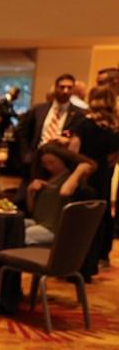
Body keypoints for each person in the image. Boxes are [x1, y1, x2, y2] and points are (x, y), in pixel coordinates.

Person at [70, 86, 119, 271]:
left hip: (84, 172)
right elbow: (114, 157)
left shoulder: (83, 123)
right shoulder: (115, 126)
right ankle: (101, 255)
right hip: (105, 174)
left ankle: (80, 256)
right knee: (103, 212)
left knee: (80, 213)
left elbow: (74, 149)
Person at [24, 143, 97, 247]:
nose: (49, 167)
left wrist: (78, 171)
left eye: (52, 162)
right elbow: (32, 210)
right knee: (14, 227)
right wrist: (29, 191)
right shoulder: (45, 178)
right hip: (39, 223)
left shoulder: (71, 179)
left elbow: (65, 192)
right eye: (45, 164)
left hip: (55, 229)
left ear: (62, 159)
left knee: (23, 234)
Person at [15, 73, 85, 178]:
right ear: (55, 88)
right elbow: (24, 133)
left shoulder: (79, 114)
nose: (65, 91)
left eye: (69, 88)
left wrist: (69, 140)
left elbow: (77, 135)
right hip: (36, 160)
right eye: (62, 87)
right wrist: (27, 155)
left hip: (62, 163)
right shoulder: (39, 109)